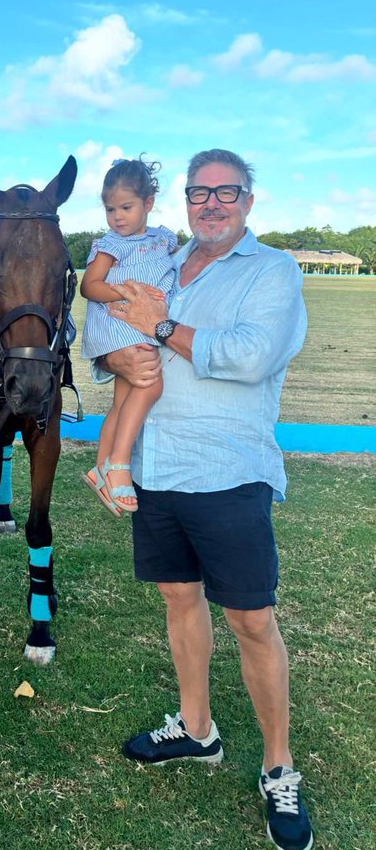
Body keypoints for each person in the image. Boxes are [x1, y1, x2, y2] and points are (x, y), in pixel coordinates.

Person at [107, 149, 313, 850]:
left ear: (248, 200)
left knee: (252, 620)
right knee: (178, 598)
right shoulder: (161, 262)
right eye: (200, 193)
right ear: (186, 201)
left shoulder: (272, 270)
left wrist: (162, 328)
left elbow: (250, 356)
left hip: (229, 471)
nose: (212, 204)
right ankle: (197, 730)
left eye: (227, 192)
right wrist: (114, 355)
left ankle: (278, 767)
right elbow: (116, 332)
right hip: (156, 467)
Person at [79, 158, 177, 516]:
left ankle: (101, 467)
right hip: (119, 320)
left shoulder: (163, 239)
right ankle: (120, 464)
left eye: (126, 207)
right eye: (110, 209)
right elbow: (89, 287)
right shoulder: (112, 244)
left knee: (122, 402)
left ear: (148, 203)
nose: (117, 217)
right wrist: (128, 293)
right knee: (150, 384)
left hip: (141, 324)